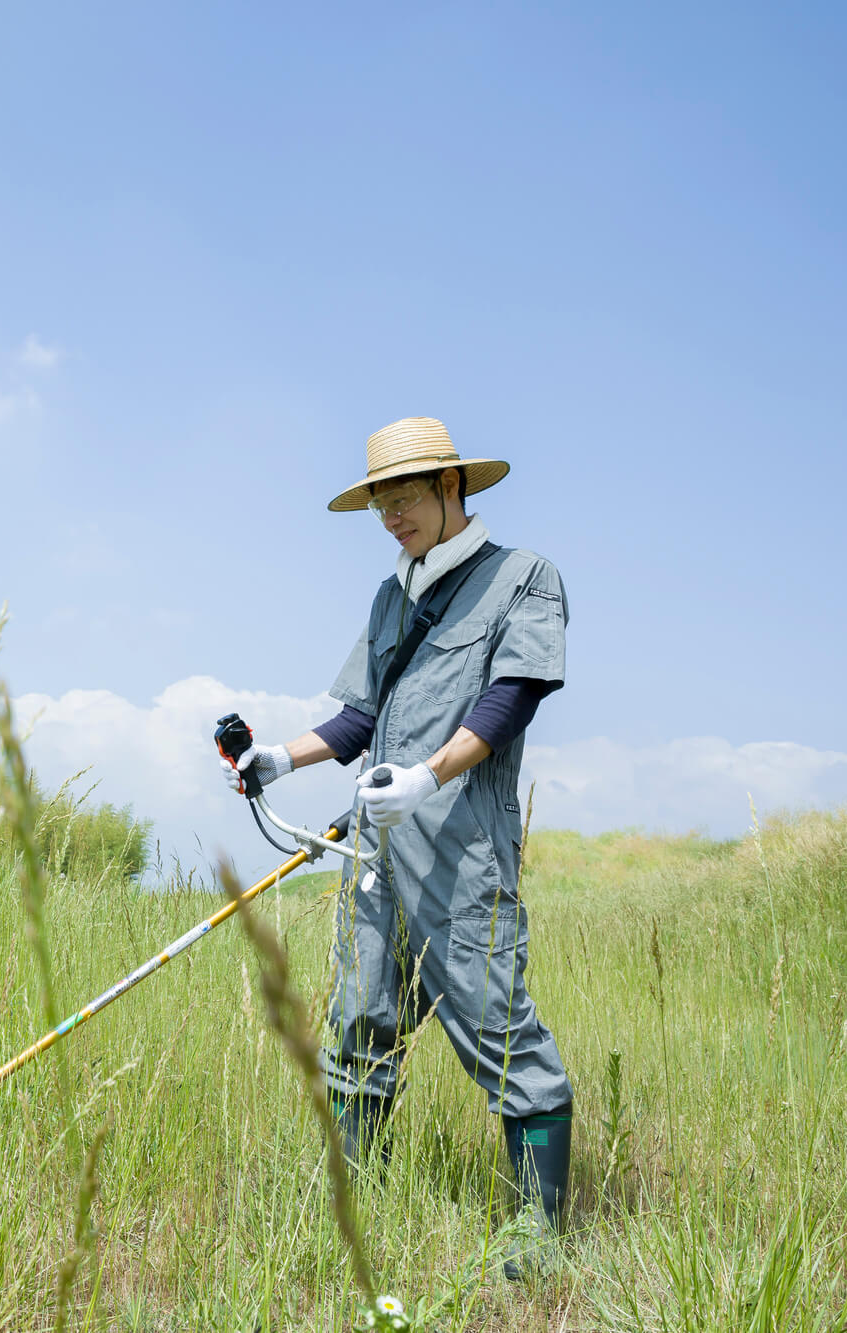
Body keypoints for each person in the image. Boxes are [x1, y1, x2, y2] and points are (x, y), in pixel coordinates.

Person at [219, 416, 573, 1278]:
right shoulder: (392, 597)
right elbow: (361, 717)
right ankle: (360, 1198)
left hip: (463, 848)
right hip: (376, 858)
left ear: (453, 487)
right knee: (361, 1021)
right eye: (381, 504)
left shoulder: (521, 578)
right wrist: (279, 758)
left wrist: (430, 774)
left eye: (406, 498)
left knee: (497, 1025)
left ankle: (537, 1230)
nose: (392, 518)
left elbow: (512, 696)